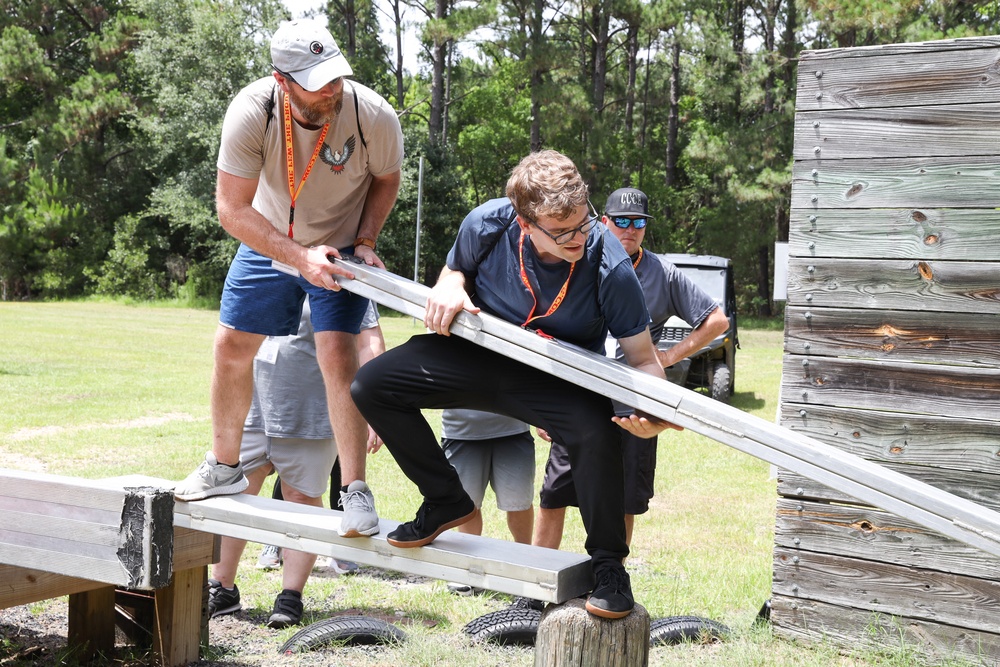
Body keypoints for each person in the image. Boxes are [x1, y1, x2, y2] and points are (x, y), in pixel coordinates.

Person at [351, 150, 677, 620]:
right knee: (372, 385)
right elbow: (454, 271)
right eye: (561, 231)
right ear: (524, 223)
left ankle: (609, 566)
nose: (578, 238)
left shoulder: (611, 265)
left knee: (597, 432)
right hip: (475, 353)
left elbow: (644, 360)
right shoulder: (487, 224)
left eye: (583, 224)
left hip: (554, 376)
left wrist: (654, 414)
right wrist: (449, 283)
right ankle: (444, 498)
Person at [172, 19, 403, 544]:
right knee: (231, 344)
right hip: (270, 235)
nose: (331, 90)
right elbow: (231, 209)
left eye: (336, 77)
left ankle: (355, 492)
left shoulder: (373, 115)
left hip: (341, 244)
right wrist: (297, 255)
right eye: (317, 81)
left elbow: (387, 178)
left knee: (336, 354)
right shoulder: (251, 113)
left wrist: (365, 238)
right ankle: (223, 466)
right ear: (282, 80)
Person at [533, 187, 731, 554]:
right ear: (604, 222)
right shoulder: (575, 259)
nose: (630, 229)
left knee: (624, 499)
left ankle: (611, 580)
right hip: (579, 397)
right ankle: (535, 584)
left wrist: (669, 357)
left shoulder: (662, 273)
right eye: (621, 221)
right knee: (555, 492)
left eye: (638, 222)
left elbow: (717, 320)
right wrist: (547, 404)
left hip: (635, 404)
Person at [207, 299, 384, 628]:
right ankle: (222, 587)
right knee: (234, 496)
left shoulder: (340, 267)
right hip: (248, 410)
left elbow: (367, 341)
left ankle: (290, 595)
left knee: (302, 498)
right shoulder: (260, 264)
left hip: (312, 414)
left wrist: (376, 406)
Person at [257, 302, 386, 575]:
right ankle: (275, 540)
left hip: (337, 401)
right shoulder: (275, 273)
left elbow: (369, 342)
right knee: (288, 474)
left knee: (345, 470)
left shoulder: (348, 275)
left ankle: (341, 547)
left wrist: (376, 408)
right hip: (287, 396)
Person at [439, 408, 535, 595]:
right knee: (466, 503)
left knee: (519, 502)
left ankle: (525, 564)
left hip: (514, 426)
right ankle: (469, 566)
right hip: (460, 430)